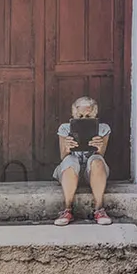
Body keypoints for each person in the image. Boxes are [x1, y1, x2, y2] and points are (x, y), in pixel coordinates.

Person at [52, 97, 113, 226]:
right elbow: (63, 156)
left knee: (97, 161)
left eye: (88, 116)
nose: (84, 119)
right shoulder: (64, 128)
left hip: (91, 172)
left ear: (95, 115)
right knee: (70, 160)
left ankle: (99, 209)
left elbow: (101, 154)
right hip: (71, 170)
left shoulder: (103, 129)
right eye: (80, 116)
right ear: (74, 115)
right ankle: (67, 210)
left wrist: (99, 147)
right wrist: (67, 147)